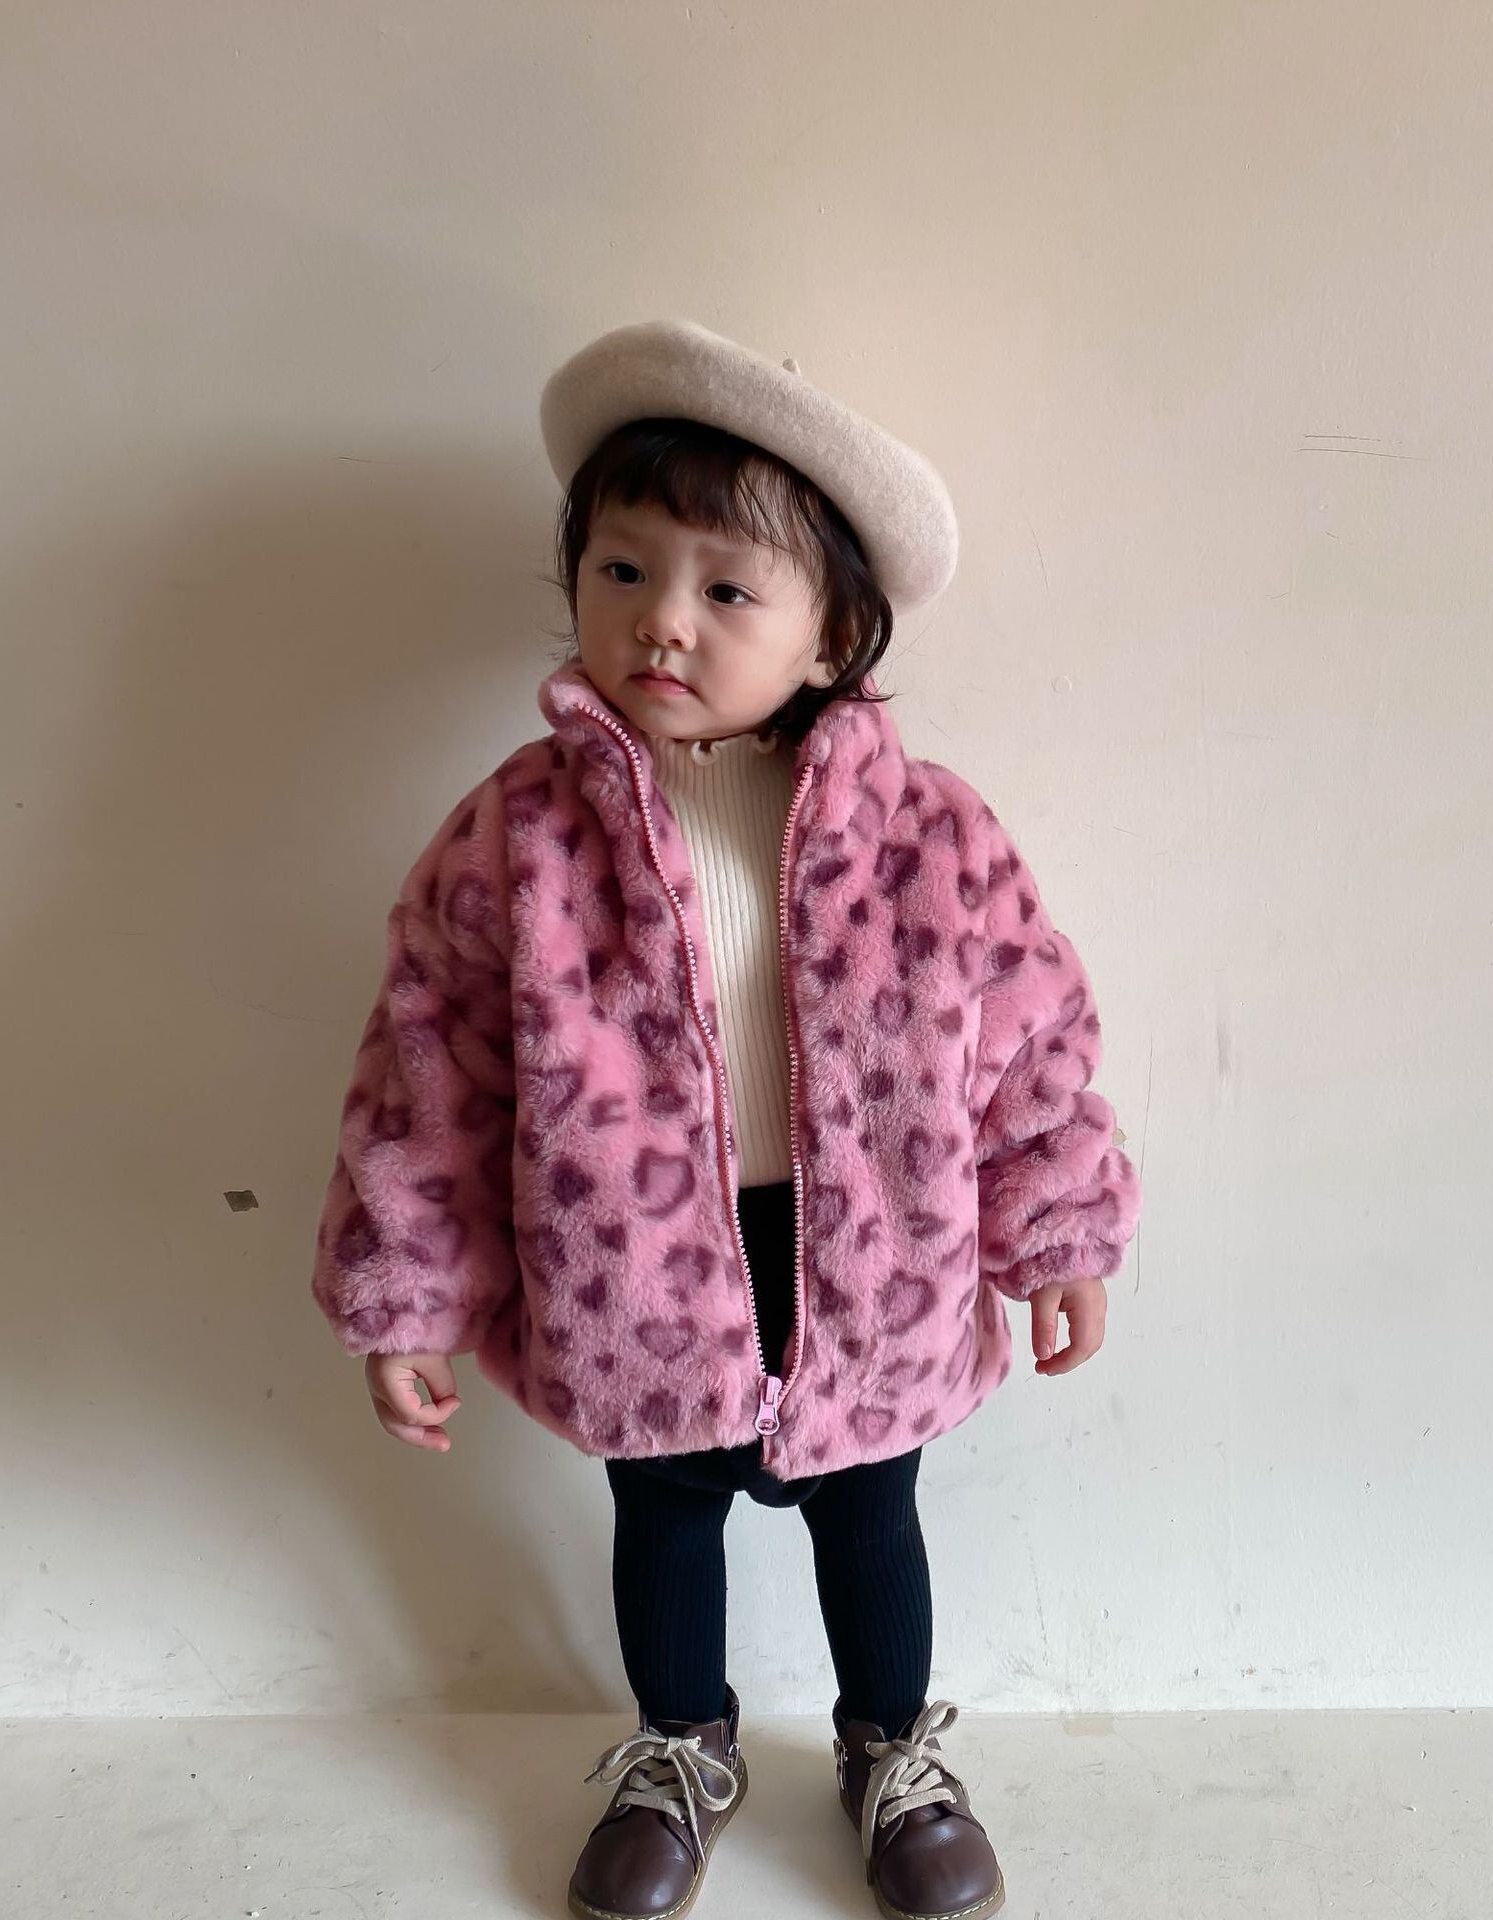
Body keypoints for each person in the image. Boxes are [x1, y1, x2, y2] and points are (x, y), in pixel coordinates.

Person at [309, 318, 1144, 1920]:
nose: (663, 621)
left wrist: (1056, 1231)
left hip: (876, 1254)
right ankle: (682, 1747)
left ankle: (891, 1749)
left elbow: (1030, 1039)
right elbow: (430, 1068)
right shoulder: (519, 839)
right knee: (663, 1506)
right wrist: (406, 1291)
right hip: (628, 1257)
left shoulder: (930, 835)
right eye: (623, 571)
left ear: (833, 639)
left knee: (871, 1511)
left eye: (727, 590)